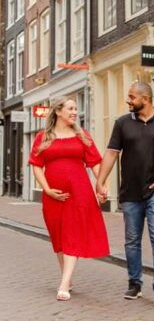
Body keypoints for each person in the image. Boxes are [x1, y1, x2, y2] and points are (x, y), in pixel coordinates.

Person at [96, 82, 154, 310]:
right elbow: (111, 153)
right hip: (130, 193)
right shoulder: (122, 123)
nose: (128, 100)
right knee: (132, 241)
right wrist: (100, 181)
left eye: (132, 97)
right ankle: (134, 283)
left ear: (146, 98)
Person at [28, 97, 109, 301]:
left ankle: (64, 284)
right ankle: (68, 277)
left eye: (76, 109)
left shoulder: (82, 136)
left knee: (72, 234)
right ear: (58, 111)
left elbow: (95, 163)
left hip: (79, 193)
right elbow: (36, 165)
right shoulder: (43, 137)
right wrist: (46, 189)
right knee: (59, 237)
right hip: (52, 196)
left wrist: (101, 185)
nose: (75, 112)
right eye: (71, 108)